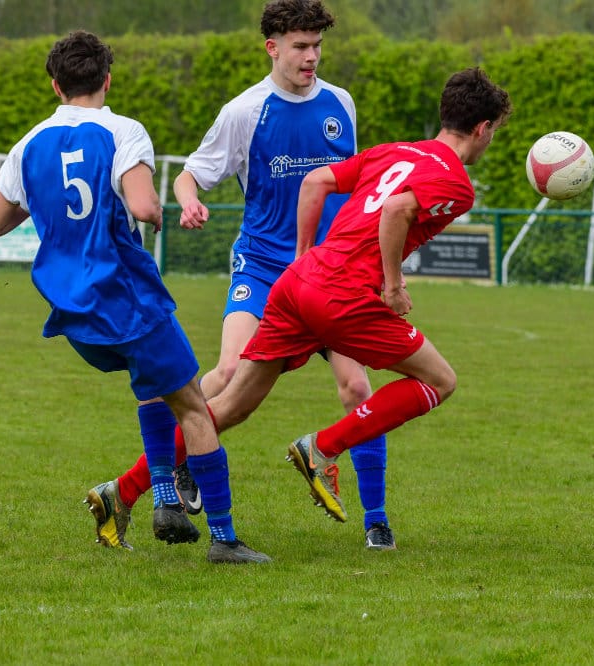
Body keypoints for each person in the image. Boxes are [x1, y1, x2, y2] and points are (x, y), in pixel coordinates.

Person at [88, 0, 397, 550]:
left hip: (330, 272)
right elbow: (189, 175)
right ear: (272, 48)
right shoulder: (245, 112)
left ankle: (377, 520)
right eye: (300, 47)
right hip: (264, 266)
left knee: (356, 386)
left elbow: (347, 187)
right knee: (229, 371)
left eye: (317, 46)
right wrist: (189, 201)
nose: (311, 57)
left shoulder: (340, 103)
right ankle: (182, 453)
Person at [172, 66, 510, 531]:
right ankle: (317, 449)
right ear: (483, 128)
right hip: (320, 284)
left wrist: (303, 258)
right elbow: (395, 208)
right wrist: (392, 284)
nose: (311, 55)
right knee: (438, 380)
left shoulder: (377, 135)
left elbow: (317, 182)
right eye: (495, 131)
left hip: (305, 276)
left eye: (315, 45)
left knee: (319, 393)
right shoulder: (455, 182)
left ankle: (125, 489)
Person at [0, 30, 269, 564]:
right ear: (107, 80)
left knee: (152, 387)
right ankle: (224, 539)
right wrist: (156, 213)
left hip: (72, 311)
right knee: (195, 408)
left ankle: (161, 500)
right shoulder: (122, 131)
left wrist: (42, 201)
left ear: (55, 85)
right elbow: (142, 206)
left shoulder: (27, 145)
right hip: (125, 296)